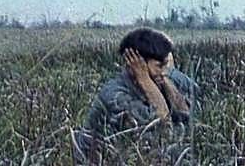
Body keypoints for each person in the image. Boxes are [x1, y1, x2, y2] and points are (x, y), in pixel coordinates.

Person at [74, 27, 196, 163]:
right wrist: (144, 78)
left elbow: (186, 115)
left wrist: (164, 79)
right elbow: (163, 127)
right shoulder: (115, 95)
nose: (164, 72)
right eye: (159, 66)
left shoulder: (158, 80)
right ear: (136, 63)